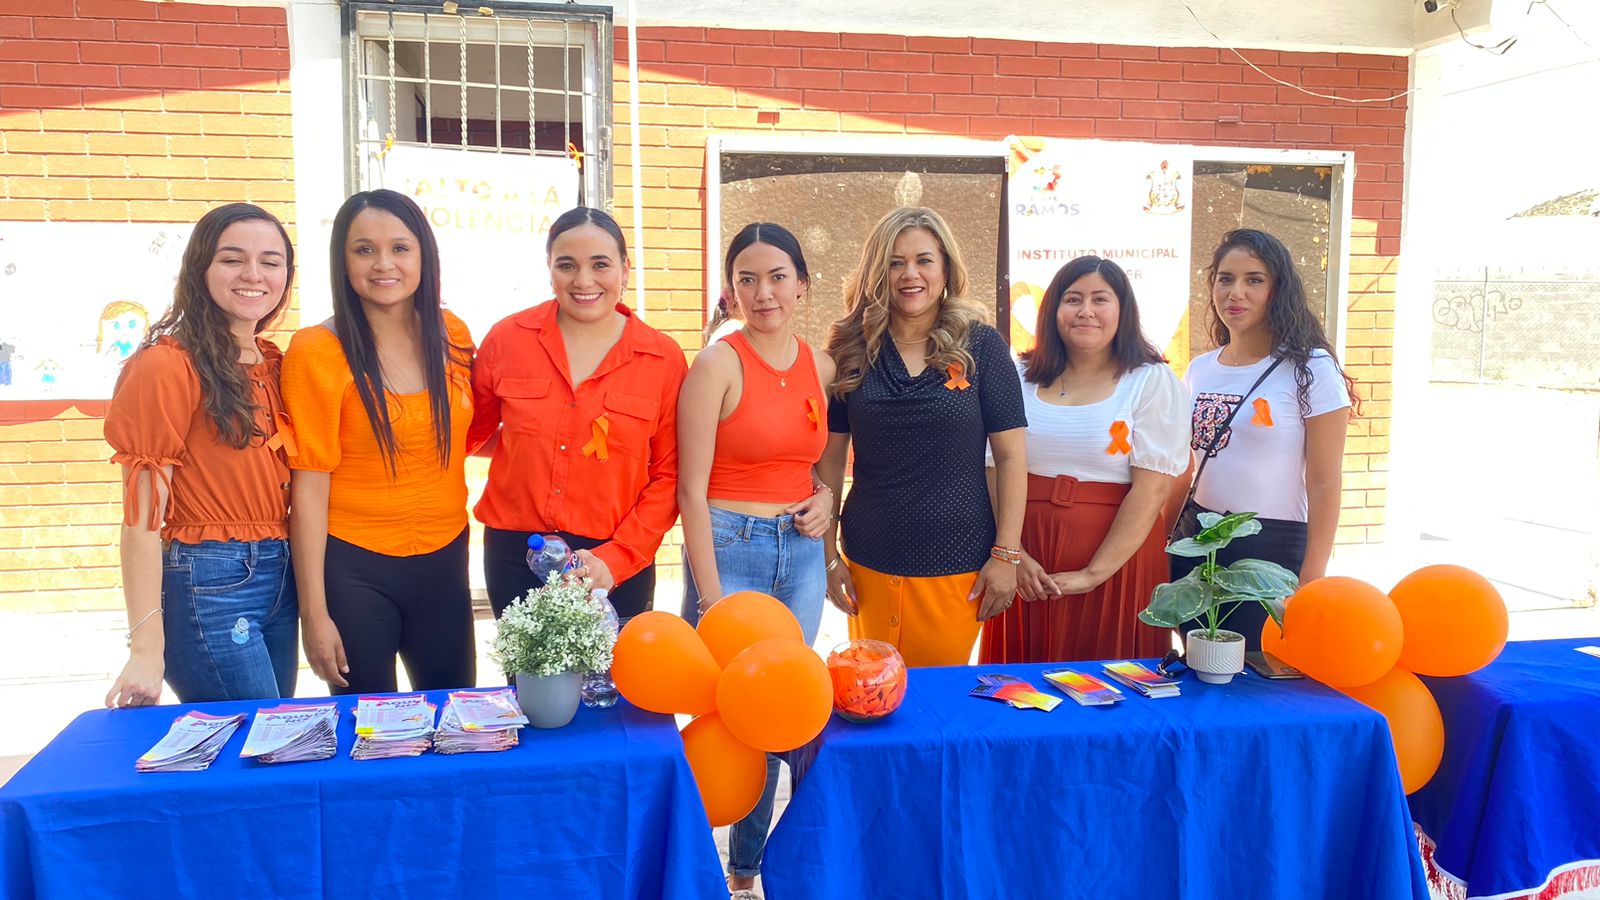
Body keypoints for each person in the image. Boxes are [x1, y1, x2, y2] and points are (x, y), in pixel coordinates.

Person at [677, 223, 835, 897]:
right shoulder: (717, 363)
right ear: (731, 288)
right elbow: (690, 489)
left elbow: (824, 467)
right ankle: (704, 870)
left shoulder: (821, 365)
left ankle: (750, 872)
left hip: (799, 552)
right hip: (729, 546)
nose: (762, 291)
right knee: (723, 718)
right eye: (747, 278)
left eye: (776, 276)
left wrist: (830, 500)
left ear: (802, 284)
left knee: (781, 712)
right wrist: (711, 600)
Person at [282, 189, 476, 694]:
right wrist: (314, 615)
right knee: (368, 733)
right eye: (364, 249)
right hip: (353, 567)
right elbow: (308, 488)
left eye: (400, 248)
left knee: (457, 721)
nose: (383, 263)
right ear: (342, 261)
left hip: (445, 557)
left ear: (423, 256)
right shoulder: (315, 351)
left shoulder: (452, 334)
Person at [104, 203, 298, 706]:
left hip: (282, 576)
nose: (253, 274)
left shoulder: (275, 363)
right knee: (257, 746)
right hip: (209, 581)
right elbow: (142, 519)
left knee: (280, 742)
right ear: (200, 269)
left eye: (271, 261)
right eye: (232, 259)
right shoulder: (167, 365)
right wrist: (146, 647)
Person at [818, 207, 1028, 668]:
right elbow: (830, 460)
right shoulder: (849, 350)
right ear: (877, 271)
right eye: (895, 262)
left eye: (923, 260)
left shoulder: (982, 347)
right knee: (871, 696)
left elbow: (1011, 457)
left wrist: (1006, 556)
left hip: (957, 561)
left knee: (938, 708)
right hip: (869, 559)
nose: (909, 274)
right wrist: (828, 556)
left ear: (946, 268)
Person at [468, 207, 685, 622]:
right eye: (567, 265)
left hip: (614, 556)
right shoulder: (507, 340)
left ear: (625, 268)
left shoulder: (662, 359)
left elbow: (669, 475)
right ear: (549, 269)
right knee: (529, 686)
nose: (583, 281)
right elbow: (469, 433)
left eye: (600, 264)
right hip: (516, 555)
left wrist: (617, 559)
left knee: (615, 686)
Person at [978, 256, 1189, 664]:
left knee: (1112, 688)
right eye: (1072, 299)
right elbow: (995, 466)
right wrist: (1014, 554)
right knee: (1021, 692)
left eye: (1100, 299)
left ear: (1122, 311)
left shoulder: (1150, 380)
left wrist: (1094, 573)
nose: (1086, 311)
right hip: (1026, 555)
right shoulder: (1018, 375)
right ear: (1053, 310)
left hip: (1116, 561)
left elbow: (1152, 490)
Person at [1171, 228, 1358, 649]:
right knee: (1201, 672)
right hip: (1197, 540)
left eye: (1254, 279)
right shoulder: (1201, 368)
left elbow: (1325, 481)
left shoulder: (1312, 368)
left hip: (1271, 547)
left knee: (1257, 678)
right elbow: (1187, 466)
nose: (1236, 292)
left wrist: (1312, 578)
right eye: (1225, 278)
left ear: (1279, 289)